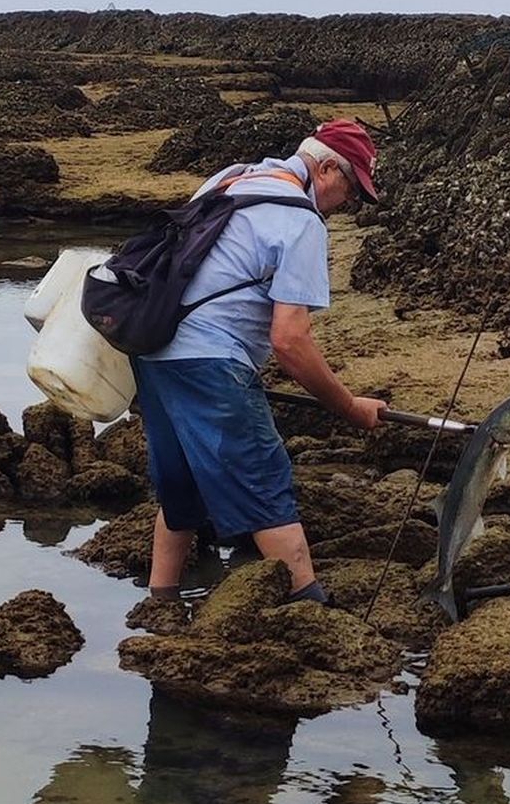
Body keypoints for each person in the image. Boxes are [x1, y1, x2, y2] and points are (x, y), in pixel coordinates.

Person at [134, 118, 387, 607]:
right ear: (328, 168)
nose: (347, 206)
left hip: (154, 352)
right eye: (352, 192)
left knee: (182, 485)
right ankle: (309, 608)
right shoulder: (300, 220)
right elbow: (291, 342)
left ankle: (160, 604)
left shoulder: (231, 177)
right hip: (212, 362)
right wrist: (350, 407)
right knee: (265, 482)